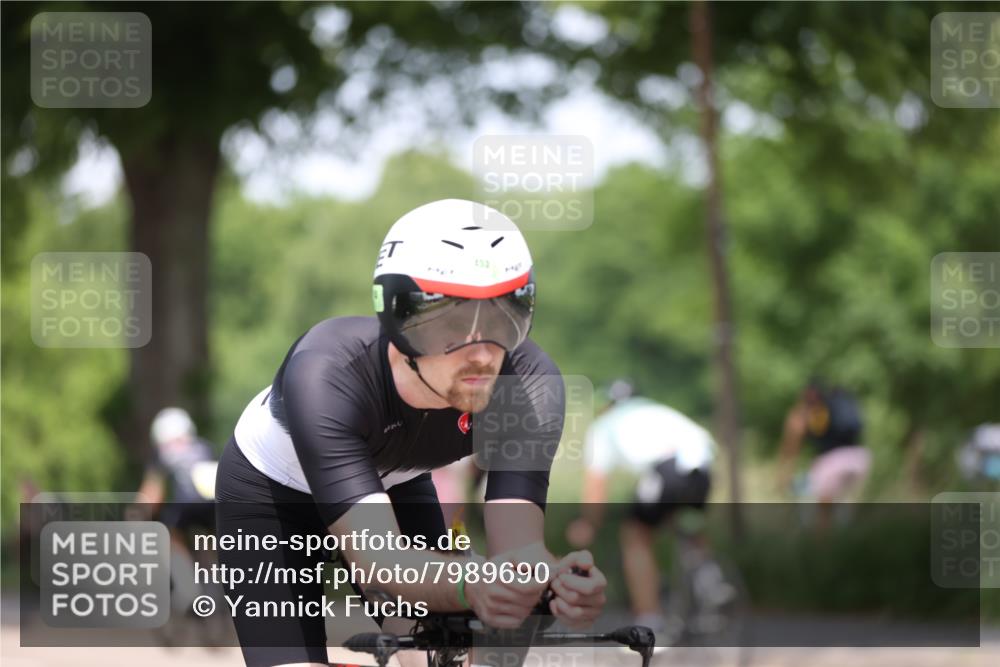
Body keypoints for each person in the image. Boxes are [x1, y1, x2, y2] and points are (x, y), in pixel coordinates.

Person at [214, 199, 607, 667]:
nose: (483, 354)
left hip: (395, 483)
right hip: (270, 495)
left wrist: (554, 584)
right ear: (401, 321)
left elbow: (518, 551)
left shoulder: (527, 384)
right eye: (453, 324)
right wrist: (470, 584)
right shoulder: (326, 373)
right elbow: (379, 559)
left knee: (439, 660)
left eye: (504, 318)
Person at [565, 380, 719, 637]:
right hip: (703, 466)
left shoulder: (604, 425)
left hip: (668, 468)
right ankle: (711, 580)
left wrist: (588, 523)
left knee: (635, 536)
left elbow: (596, 485)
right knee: (685, 522)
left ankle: (650, 620)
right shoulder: (656, 411)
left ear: (608, 405)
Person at [776, 379, 870, 528]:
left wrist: (784, 473)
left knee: (821, 515)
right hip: (860, 459)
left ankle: (822, 541)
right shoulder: (838, 405)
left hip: (832, 462)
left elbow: (792, 443)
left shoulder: (814, 411)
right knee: (841, 507)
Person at [138, 406, 218, 542]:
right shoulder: (205, 447)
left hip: (186, 507)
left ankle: (185, 556)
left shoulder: (163, 453)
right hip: (215, 504)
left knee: (169, 532)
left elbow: (152, 495)